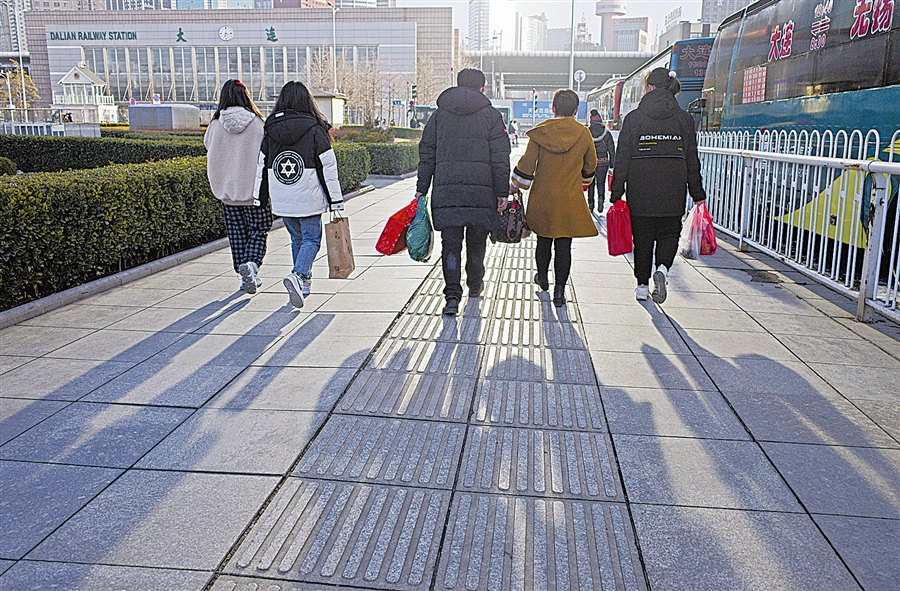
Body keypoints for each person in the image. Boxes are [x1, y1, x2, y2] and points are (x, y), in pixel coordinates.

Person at [416, 68, 511, 316]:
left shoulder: (438, 116)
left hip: (447, 192)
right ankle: (475, 284)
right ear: (482, 88)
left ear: (458, 85)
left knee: (451, 245)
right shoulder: (492, 116)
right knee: (477, 242)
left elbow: (426, 154)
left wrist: (421, 189)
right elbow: (501, 157)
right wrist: (502, 191)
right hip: (482, 193)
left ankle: (451, 298)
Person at [610, 67, 707, 303]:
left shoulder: (634, 119)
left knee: (642, 239)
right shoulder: (684, 119)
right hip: (673, 190)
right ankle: (662, 269)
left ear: (649, 88)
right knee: (668, 234)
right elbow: (692, 160)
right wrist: (697, 193)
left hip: (640, 189)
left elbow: (622, 158)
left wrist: (616, 192)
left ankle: (642, 287)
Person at [254, 81, 344, 309]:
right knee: (312, 239)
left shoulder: (271, 130)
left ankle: (303, 284)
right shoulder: (315, 129)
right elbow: (328, 168)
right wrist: (336, 200)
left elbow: (261, 166)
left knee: (297, 239)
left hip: (283, 198)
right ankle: (298, 274)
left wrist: (259, 198)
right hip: (309, 198)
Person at [511, 89, 598, 307]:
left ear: (553, 108)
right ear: (576, 110)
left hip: (543, 197)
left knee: (543, 240)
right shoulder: (583, 133)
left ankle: (542, 280)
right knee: (564, 244)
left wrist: (516, 185)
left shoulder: (541, 133)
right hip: (569, 197)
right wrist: (584, 181)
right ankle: (560, 291)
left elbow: (527, 164)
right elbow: (591, 164)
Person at [204, 79, 272, 294]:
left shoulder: (214, 125)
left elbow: (208, 147)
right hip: (254, 190)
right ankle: (251, 264)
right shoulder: (259, 124)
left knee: (236, 233)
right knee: (259, 229)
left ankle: (243, 273)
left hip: (226, 191)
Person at [587, 108, 616, 212]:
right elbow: (611, 150)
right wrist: (612, 165)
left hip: (590, 163)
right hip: (603, 162)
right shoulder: (606, 133)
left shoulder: (587, 132)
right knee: (601, 183)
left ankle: (590, 204)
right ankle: (601, 199)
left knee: (590, 183)